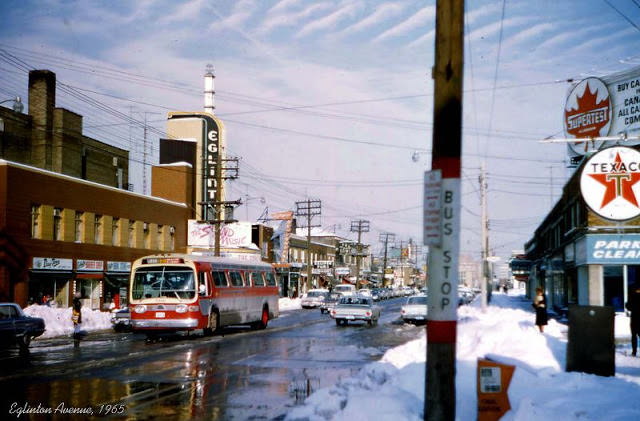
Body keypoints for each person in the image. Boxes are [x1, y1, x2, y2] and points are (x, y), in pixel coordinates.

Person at [626, 283, 640, 356]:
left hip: (634, 317)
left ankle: (634, 352)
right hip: (636, 317)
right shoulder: (632, 295)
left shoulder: (632, 295)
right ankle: (634, 352)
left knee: (634, 335)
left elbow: (628, 306)